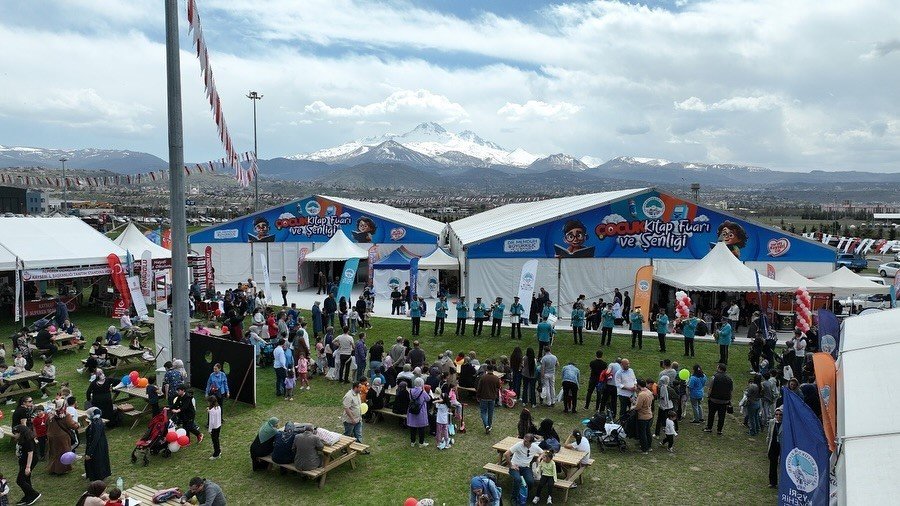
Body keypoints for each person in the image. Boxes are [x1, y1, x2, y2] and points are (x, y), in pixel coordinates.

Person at [47, 399, 79, 475]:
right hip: (62, 437)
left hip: (51, 436)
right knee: (63, 453)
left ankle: (52, 469)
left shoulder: (51, 414)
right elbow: (72, 425)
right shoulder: (65, 415)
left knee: (54, 452)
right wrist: (77, 424)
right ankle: (61, 469)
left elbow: (46, 423)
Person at [504, 434, 537, 504]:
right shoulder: (519, 445)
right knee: (518, 479)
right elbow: (506, 454)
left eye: (526, 441)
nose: (523, 442)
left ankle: (524, 494)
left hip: (526, 468)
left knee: (530, 482)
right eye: (524, 440)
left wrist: (539, 458)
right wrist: (511, 465)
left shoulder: (534, 446)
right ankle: (514, 498)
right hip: (515, 467)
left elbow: (543, 452)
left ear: (531, 442)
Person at [12, 423, 40, 505]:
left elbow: (30, 453)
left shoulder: (28, 441)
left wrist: (28, 467)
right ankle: (28, 496)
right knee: (26, 479)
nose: (14, 435)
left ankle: (34, 494)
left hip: (29, 461)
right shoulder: (21, 440)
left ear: (21, 433)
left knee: (20, 480)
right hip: (23, 461)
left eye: (15, 433)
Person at [704, 363, 734, 435]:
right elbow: (731, 390)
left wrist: (708, 395)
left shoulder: (714, 377)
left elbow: (710, 388)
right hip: (724, 401)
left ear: (720, 369)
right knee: (722, 416)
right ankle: (719, 430)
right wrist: (729, 399)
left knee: (711, 414)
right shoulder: (729, 379)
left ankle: (709, 427)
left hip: (714, 399)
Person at [83, 407, 111, 482]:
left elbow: (95, 438)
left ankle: (98, 478)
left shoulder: (96, 424)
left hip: (97, 447)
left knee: (97, 462)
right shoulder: (96, 422)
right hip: (99, 445)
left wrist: (89, 452)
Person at [476, 364, 502, 434]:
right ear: (493, 370)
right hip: (492, 398)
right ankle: (489, 426)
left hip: (483, 397)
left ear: (487, 369)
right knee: (490, 412)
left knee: (483, 412)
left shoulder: (483, 378)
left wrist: (478, 396)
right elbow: (498, 387)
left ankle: (486, 425)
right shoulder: (496, 378)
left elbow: (479, 388)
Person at [407, 377, 430, 447]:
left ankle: (412, 442)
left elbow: (410, 398)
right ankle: (421, 443)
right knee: (421, 427)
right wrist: (424, 390)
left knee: (412, 427)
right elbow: (428, 398)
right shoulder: (422, 392)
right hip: (420, 411)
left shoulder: (411, 391)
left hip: (412, 409)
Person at [634, 379, 654, 454]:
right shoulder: (649, 392)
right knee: (648, 431)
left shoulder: (641, 394)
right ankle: (649, 446)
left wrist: (632, 406)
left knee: (642, 433)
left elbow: (638, 407)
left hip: (643, 416)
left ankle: (644, 449)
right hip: (649, 414)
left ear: (639, 385)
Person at [767, 407, 783, 488]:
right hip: (773, 446)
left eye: (780, 414)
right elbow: (769, 434)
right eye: (776, 414)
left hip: (781, 447)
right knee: (773, 465)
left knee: (781, 465)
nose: (778, 416)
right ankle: (772, 482)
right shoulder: (772, 422)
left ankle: (782, 482)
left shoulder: (785, 424)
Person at [207, 395, 222, 460]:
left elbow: (211, 422)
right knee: (217, 440)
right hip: (219, 425)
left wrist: (209, 430)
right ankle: (218, 451)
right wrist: (209, 411)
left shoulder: (212, 411)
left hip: (214, 428)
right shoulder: (218, 407)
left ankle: (216, 454)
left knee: (214, 441)